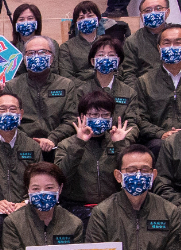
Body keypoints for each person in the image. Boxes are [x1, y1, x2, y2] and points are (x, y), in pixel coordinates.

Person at [54, 88, 134, 218]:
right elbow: (61, 177)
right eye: (94, 115)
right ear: (82, 117)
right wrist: (79, 143)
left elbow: (130, 174)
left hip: (113, 206)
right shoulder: (67, 144)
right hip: (76, 207)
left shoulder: (117, 142)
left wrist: (120, 145)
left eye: (105, 115)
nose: (99, 119)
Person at [60, 35, 142, 146]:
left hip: (118, 144)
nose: (106, 59)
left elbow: (132, 123)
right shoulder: (82, 91)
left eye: (111, 55)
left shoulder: (129, 92)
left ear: (118, 61)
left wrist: (123, 141)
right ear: (93, 61)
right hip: (87, 143)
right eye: (101, 55)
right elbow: (74, 120)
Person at [136, 23, 181, 144]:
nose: (172, 47)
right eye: (166, 43)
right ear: (159, 48)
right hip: (158, 139)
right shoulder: (145, 81)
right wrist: (161, 133)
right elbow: (140, 118)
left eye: (177, 43)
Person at [3, 36, 77, 152]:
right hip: (22, 148)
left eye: (42, 52)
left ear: (52, 58)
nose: (36, 56)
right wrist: (28, 141)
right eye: (31, 53)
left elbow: (71, 119)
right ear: (24, 59)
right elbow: (8, 120)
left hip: (58, 147)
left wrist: (53, 138)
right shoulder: (12, 86)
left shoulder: (66, 85)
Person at [121, 0, 181, 82]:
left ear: (167, 12)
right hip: (147, 87)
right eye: (148, 10)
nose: (153, 13)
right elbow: (128, 74)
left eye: (158, 9)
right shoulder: (132, 41)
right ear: (141, 15)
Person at [55, 0, 105, 81]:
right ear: (76, 23)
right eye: (81, 18)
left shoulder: (108, 44)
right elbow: (66, 77)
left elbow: (118, 72)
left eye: (90, 16)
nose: (86, 20)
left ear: (98, 19)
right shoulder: (67, 47)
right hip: (79, 87)